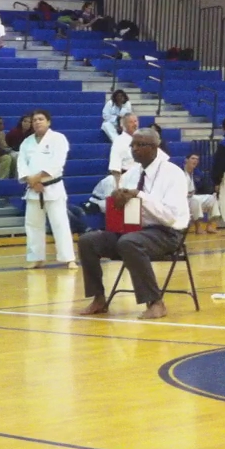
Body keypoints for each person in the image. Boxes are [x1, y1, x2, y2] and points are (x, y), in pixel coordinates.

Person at [78, 129, 188, 320]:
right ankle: (98, 298)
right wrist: (116, 199)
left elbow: (170, 217)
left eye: (140, 145)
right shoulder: (131, 174)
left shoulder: (173, 174)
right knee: (88, 240)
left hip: (167, 233)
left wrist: (140, 196)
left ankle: (155, 302)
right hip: (132, 230)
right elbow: (121, 207)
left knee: (129, 242)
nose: (134, 149)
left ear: (154, 148)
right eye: (132, 145)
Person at [18, 109, 76, 269]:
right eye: (34, 120)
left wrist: (38, 177)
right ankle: (36, 257)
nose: (37, 122)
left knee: (60, 223)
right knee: (33, 225)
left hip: (53, 187)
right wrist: (30, 180)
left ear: (48, 121)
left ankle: (68, 258)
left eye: (41, 119)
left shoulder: (58, 139)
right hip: (33, 189)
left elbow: (57, 163)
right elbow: (21, 164)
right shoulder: (27, 142)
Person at [183, 153, 219, 235]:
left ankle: (210, 226)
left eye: (197, 159)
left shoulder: (198, 173)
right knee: (195, 200)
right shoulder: (179, 171)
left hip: (192, 196)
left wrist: (212, 192)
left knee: (212, 198)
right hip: (181, 199)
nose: (195, 160)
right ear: (186, 160)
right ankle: (198, 228)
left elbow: (204, 186)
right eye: (193, 158)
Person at [109, 112, 140, 184]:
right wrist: (117, 187)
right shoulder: (119, 141)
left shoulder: (143, 138)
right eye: (131, 122)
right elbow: (115, 167)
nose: (135, 124)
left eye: (136, 121)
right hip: (127, 179)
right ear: (124, 125)